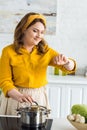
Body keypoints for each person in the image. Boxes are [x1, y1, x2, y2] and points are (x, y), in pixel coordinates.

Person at [0, 12, 76, 115]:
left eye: (42, 32)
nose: (39, 36)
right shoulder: (8, 51)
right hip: (14, 98)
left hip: (38, 98)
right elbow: (4, 81)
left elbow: (69, 68)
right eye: (35, 31)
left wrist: (67, 62)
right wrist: (19, 96)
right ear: (24, 29)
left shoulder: (45, 51)